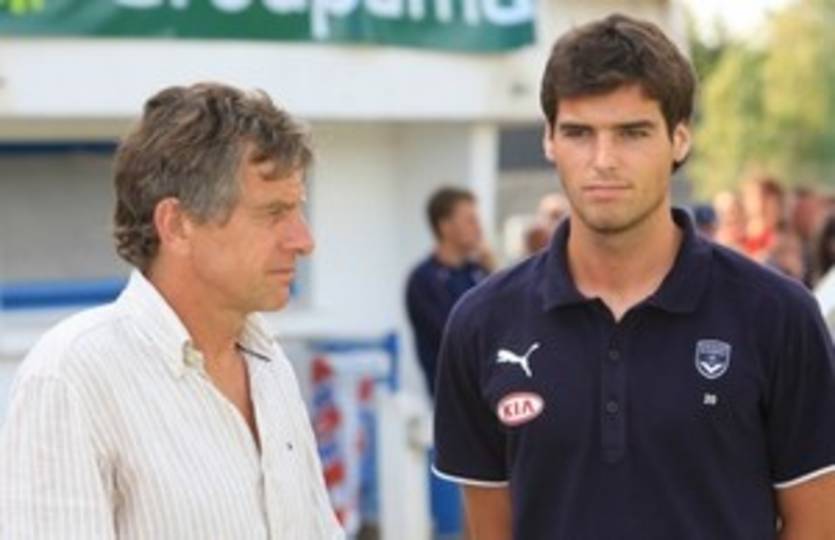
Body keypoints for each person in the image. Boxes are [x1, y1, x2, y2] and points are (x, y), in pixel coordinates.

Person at [432, 14, 835, 539]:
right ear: (549, 140)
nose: (603, 160)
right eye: (579, 133)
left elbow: (819, 523)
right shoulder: (482, 324)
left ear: (680, 139)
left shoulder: (777, 315)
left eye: (632, 133)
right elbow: (491, 532)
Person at [0, 83, 343, 538]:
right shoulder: (71, 375)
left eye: (297, 210)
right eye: (273, 213)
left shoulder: (269, 364)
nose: (304, 240)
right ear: (177, 225)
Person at [405, 187, 492, 398]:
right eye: (470, 220)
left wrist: (493, 272)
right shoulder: (424, 279)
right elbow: (455, 337)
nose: (478, 228)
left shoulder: (479, 272)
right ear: (445, 226)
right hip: (452, 397)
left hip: (488, 390)